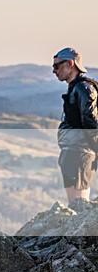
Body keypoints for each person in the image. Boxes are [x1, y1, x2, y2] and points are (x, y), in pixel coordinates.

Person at [53, 47, 98, 203]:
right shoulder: (76, 88)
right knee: (74, 205)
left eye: (57, 66)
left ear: (70, 63)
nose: (54, 71)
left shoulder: (84, 88)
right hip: (72, 152)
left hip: (80, 153)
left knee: (79, 205)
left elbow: (91, 121)